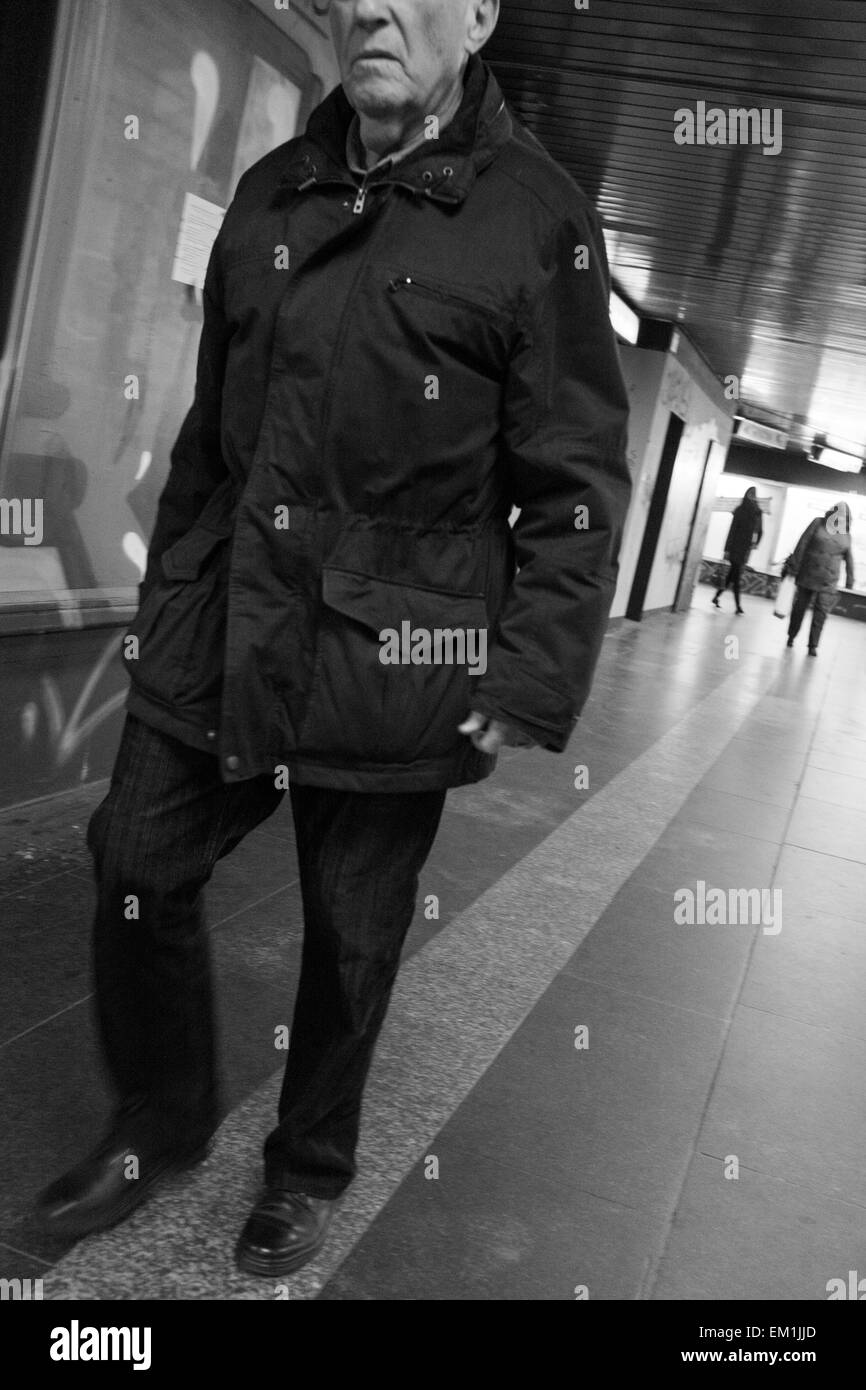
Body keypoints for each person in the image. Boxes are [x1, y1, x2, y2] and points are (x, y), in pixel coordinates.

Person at [35, 0, 631, 1276]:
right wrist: (173, 595)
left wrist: (529, 666)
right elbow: (207, 439)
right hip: (224, 618)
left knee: (351, 939)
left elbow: (573, 476)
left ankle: (305, 1167)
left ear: (476, 17)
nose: (372, 8)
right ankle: (160, 1119)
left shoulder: (534, 219)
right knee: (134, 856)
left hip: (395, 655)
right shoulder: (269, 191)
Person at [785, 501, 855, 655]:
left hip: (829, 580)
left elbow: (849, 558)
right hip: (808, 573)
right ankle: (791, 636)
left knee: (821, 613)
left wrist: (850, 580)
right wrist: (795, 565)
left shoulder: (846, 534)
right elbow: (802, 543)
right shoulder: (818, 523)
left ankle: (813, 646)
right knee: (799, 608)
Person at [712, 486, 763, 613]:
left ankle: (717, 597)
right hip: (741, 550)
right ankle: (738, 606)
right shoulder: (756, 512)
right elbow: (759, 531)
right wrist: (755, 543)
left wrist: (727, 549)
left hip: (738, 549)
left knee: (732, 576)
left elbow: (734, 530)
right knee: (736, 577)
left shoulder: (743, 510)